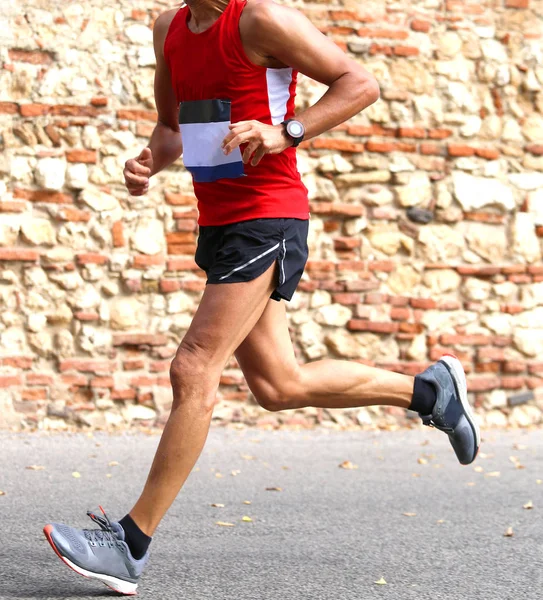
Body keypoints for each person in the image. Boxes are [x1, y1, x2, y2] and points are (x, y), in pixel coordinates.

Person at [44, 0, 481, 594]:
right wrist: (151, 161)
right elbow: (174, 128)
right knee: (279, 386)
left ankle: (130, 543)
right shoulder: (169, 29)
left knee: (194, 366)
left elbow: (360, 82)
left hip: (267, 216)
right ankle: (430, 392)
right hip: (221, 222)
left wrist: (285, 132)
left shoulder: (260, 20)